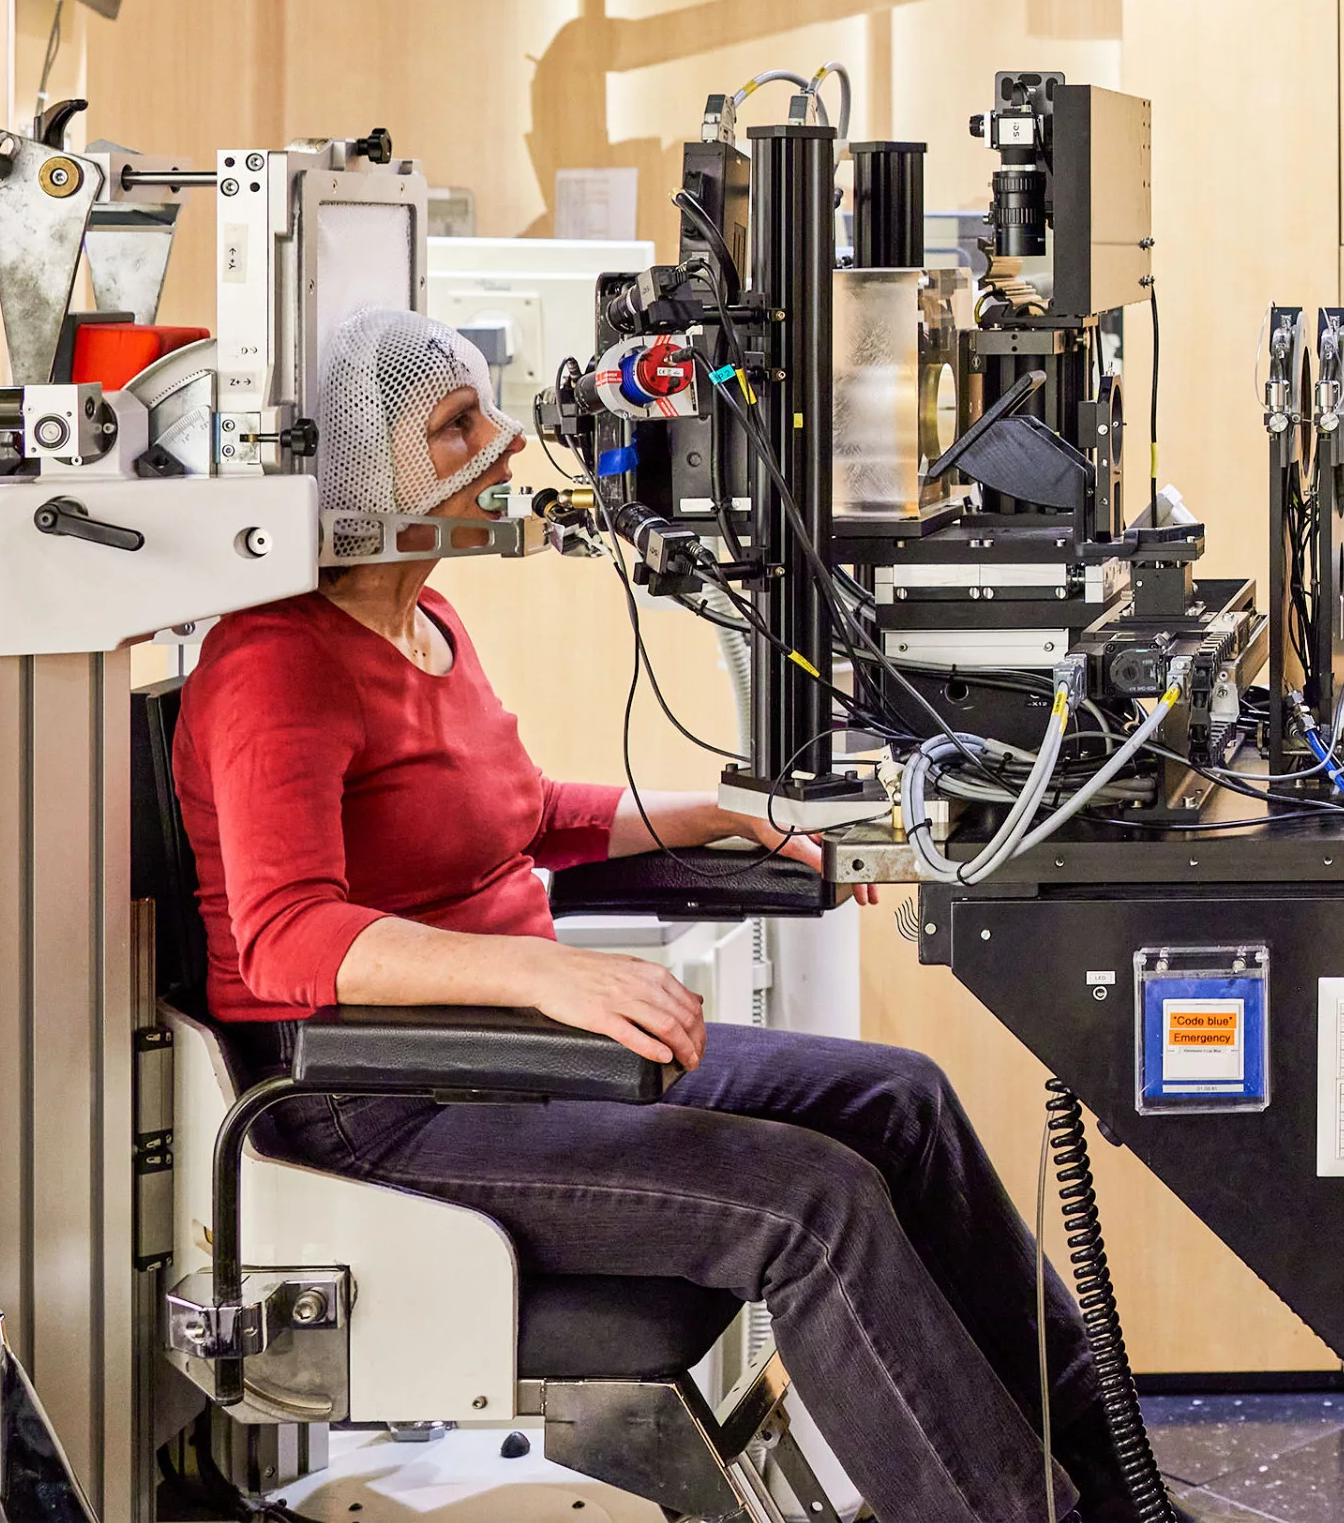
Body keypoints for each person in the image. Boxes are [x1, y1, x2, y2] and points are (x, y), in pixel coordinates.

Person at [172, 305, 1151, 1523]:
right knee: (813, 1200)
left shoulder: (428, 622)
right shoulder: (272, 664)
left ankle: (1121, 1491)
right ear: (366, 472)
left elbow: (524, 813)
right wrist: (545, 977)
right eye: (457, 426)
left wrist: (721, 810)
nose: (507, 444)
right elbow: (287, 934)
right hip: (382, 1106)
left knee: (902, 1099)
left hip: (520, 1063)